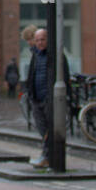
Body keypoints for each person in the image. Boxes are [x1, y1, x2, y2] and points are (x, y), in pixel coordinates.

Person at [26, 27, 69, 169]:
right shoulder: (35, 55)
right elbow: (32, 74)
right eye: (37, 40)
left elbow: (64, 75)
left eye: (42, 39)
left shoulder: (56, 55)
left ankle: (47, 157)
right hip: (37, 99)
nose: (40, 43)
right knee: (43, 129)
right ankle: (47, 156)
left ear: (48, 39)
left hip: (49, 100)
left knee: (50, 131)